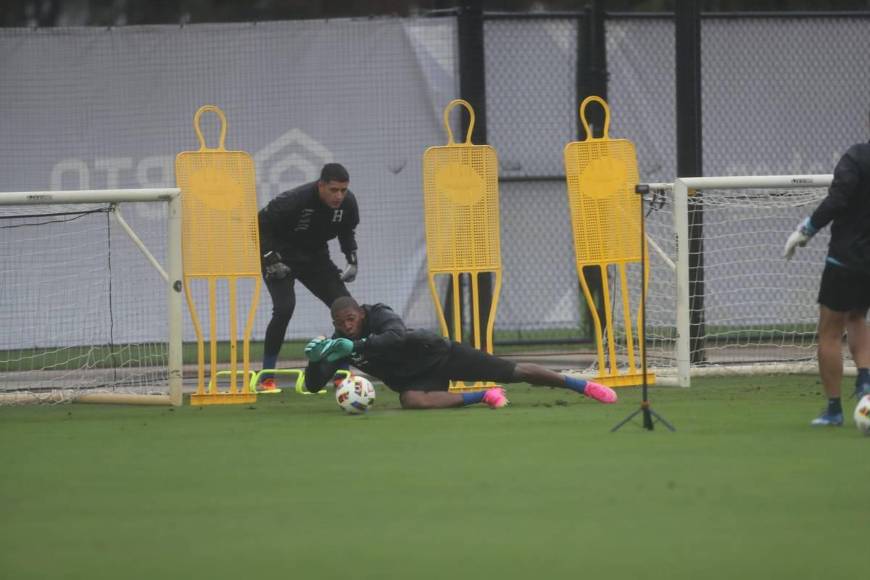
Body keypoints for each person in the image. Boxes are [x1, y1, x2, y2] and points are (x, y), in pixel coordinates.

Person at [302, 296, 618, 410]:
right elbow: (316, 384)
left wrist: (356, 346)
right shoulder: (339, 344)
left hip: (441, 354)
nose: (346, 327)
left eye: (351, 319)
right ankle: (483, 396)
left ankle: (584, 386)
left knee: (517, 372)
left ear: (360, 312)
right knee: (411, 401)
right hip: (419, 381)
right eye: (340, 324)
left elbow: (396, 337)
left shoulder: (379, 314)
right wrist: (316, 363)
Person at [784, 124, 870, 426]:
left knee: (830, 330)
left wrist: (806, 230)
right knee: (858, 317)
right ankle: (865, 381)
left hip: (846, 257)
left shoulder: (857, 156)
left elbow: (837, 200)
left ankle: (834, 409)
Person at [257, 163, 360, 391]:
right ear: (321, 185)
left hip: (315, 258)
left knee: (345, 308)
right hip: (281, 257)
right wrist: (271, 259)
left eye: (343, 190)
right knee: (284, 308)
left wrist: (351, 258)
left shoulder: (348, 203)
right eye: (334, 190)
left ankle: (342, 373)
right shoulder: (294, 200)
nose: (339, 196)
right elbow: (259, 225)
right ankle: (266, 378)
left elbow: (346, 231)